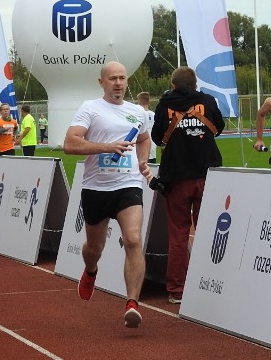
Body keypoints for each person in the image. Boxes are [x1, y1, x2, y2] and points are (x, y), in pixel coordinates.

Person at [63, 61, 152, 328]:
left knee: (133, 239)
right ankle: (91, 271)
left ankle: (132, 303)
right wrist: (106, 147)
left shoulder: (137, 111)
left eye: (122, 78)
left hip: (128, 184)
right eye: (112, 78)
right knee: (94, 248)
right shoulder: (90, 108)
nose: (118, 83)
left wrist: (143, 162)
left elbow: (144, 138)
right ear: (101, 82)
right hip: (96, 187)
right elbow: (69, 143)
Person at [151, 67, 224, 304]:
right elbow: (219, 127)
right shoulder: (208, 101)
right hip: (207, 175)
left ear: (173, 85)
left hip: (177, 178)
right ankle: (208, 283)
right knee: (207, 232)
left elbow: (156, 136)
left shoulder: (164, 104)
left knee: (179, 235)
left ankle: (177, 289)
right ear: (194, 84)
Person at [136, 92, 158, 164]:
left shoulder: (138, 115)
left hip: (141, 147)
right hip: (152, 147)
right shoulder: (154, 114)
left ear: (139, 101)